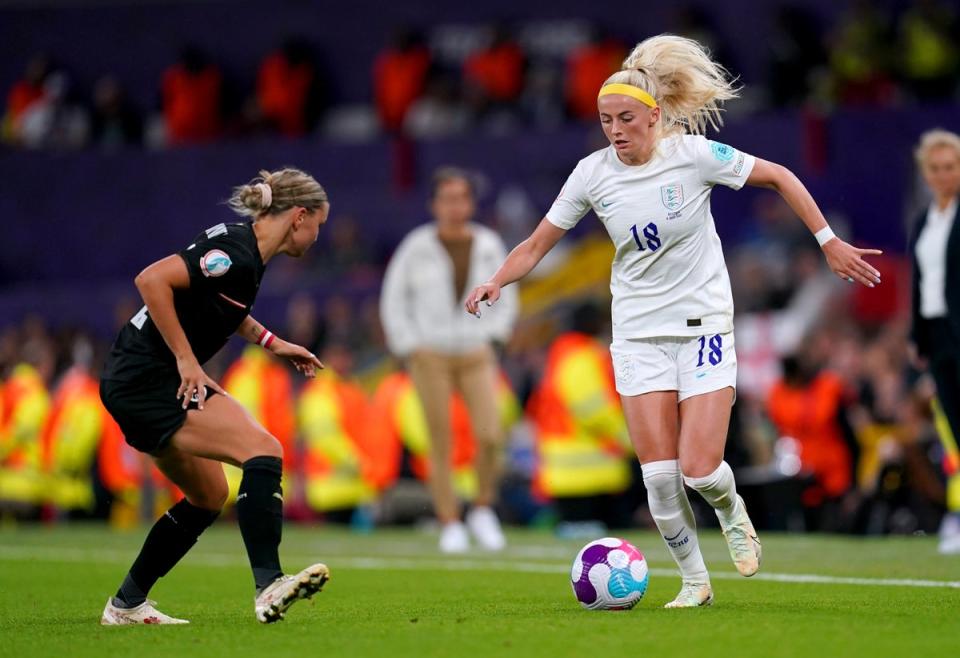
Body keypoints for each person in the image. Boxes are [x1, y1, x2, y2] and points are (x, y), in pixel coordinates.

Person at [466, 34, 882, 607]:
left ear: (654, 115)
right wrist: (496, 280)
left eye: (626, 118)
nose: (615, 129)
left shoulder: (693, 156)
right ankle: (694, 581)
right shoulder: (592, 174)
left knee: (700, 471)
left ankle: (732, 509)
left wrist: (828, 241)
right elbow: (537, 245)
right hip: (638, 334)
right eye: (606, 119)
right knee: (659, 479)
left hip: (703, 327)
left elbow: (781, 175)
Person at [98, 168, 330, 625]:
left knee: (208, 495)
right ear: (299, 216)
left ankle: (125, 604)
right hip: (148, 380)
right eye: (320, 224)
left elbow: (224, 307)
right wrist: (187, 361)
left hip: (136, 381)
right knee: (263, 450)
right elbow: (151, 280)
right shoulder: (236, 253)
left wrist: (273, 343)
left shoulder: (246, 253)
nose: (319, 236)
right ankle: (270, 585)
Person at [381, 167, 518, 553]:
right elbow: (394, 298)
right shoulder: (415, 246)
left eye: (461, 198)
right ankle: (449, 521)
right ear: (434, 204)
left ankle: (482, 508)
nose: (455, 206)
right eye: (447, 199)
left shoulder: (489, 243)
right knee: (438, 440)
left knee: (490, 434)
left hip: (476, 351)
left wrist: (495, 336)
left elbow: (508, 289)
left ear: (471, 203)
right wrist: (408, 344)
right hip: (431, 354)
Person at [908, 128, 960, 554]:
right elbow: (921, 282)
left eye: (951, 167)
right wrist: (916, 336)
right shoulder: (926, 219)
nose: (944, 175)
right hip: (938, 334)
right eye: (936, 169)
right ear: (926, 173)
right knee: (955, 428)